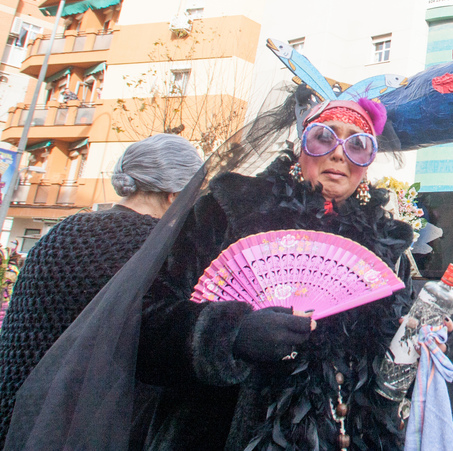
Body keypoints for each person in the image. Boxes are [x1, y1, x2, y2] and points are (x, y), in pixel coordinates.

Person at [3, 92, 416, 451]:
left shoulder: (384, 248)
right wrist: (232, 335)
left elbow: (385, 363)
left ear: (368, 164)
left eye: (358, 145)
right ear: (300, 144)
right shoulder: (228, 208)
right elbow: (142, 324)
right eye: (324, 137)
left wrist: (418, 340)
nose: (340, 154)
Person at [0, 133, 203, 447]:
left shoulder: (62, 231)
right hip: (78, 429)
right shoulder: (160, 250)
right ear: (175, 194)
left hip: (16, 413)